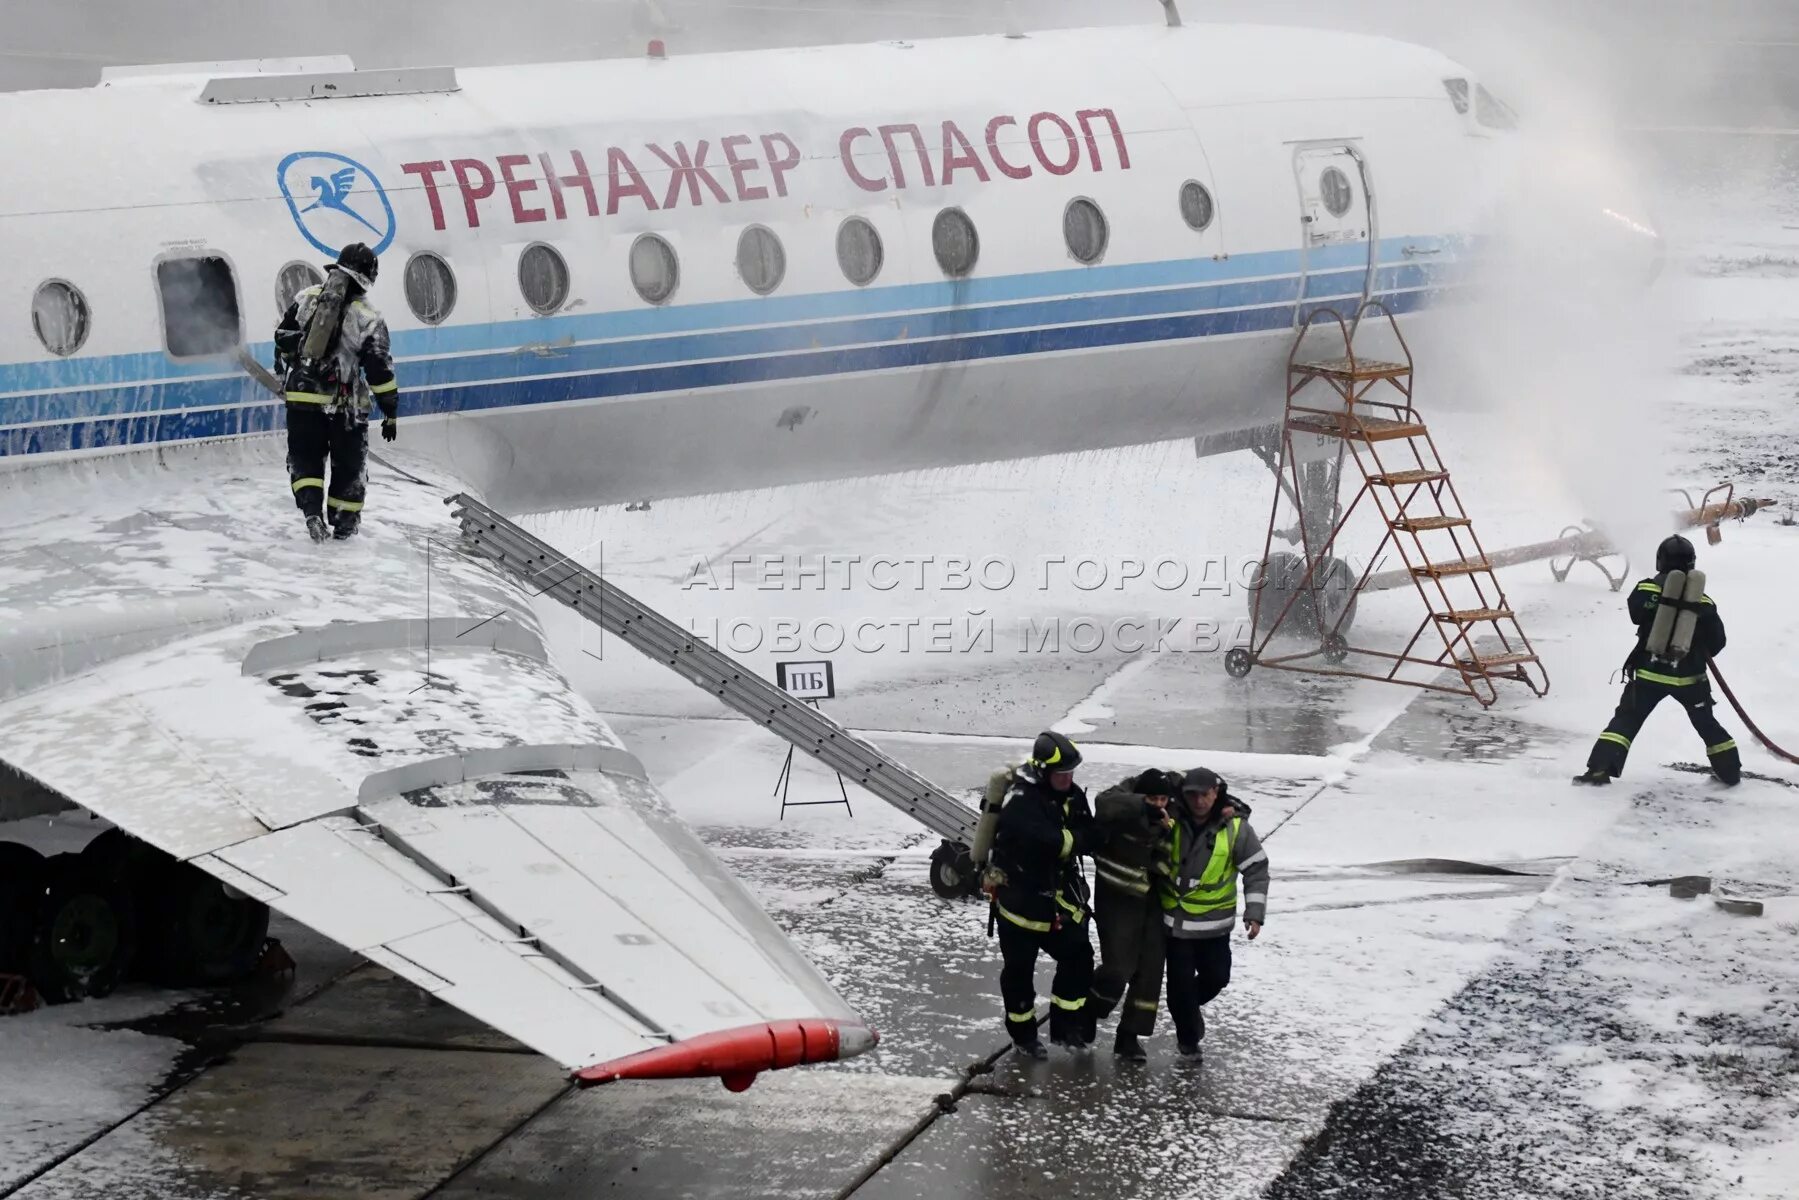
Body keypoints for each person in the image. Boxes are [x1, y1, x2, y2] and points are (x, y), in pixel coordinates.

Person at [1574, 534, 1740, 786]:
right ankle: (1729, 772)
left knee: (1626, 720)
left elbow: (1636, 615)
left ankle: (1600, 769)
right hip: (1690, 679)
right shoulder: (1704, 603)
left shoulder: (1645, 589)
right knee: (1706, 724)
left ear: (1659, 561)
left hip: (1649, 675)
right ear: (1692, 563)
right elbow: (1717, 642)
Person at [989, 730, 1105, 1058]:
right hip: (1020, 905)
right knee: (1019, 972)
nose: (1068, 779)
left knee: (1079, 959)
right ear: (1042, 771)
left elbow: (1091, 834)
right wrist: (1072, 839)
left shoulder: (1071, 795)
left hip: (1059, 902)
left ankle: (1068, 1029)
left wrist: (1073, 839)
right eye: (1061, 774)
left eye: (1070, 773)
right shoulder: (1020, 800)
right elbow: (1047, 842)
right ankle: (1023, 1035)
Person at [274, 243, 400, 542]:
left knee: (305, 460)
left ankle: (311, 514)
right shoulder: (367, 316)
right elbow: (379, 369)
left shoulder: (306, 301)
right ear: (368, 279)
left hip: (302, 400)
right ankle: (343, 528)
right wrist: (390, 410)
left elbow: (282, 338)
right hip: (345, 407)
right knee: (348, 469)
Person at [1160, 767, 1268, 1063]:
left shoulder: (1236, 828)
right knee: (1180, 984)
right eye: (1191, 795)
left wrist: (1255, 913)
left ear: (1216, 793)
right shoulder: (1169, 820)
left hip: (1214, 926)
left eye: (1204, 794)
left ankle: (1187, 1011)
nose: (1198, 801)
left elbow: (1256, 870)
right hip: (1176, 922)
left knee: (1217, 977)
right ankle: (1188, 1039)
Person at [1087, 767, 1180, 1063]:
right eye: (1152, 798)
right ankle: (1090, 1010)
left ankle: (1129, 1036)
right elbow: (1103, 803)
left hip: (1152, 900)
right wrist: (1143, 808)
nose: (1159, 804)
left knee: (1151, 969)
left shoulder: (1171, 812)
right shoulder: (1120, 804)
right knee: (1118, 967)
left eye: (1163, 798)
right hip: (1118, 899)